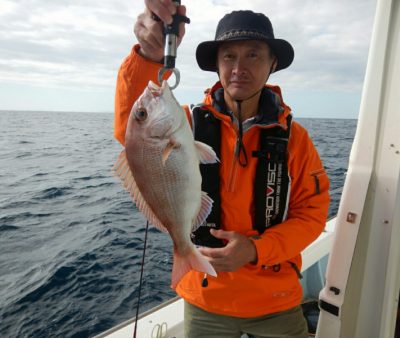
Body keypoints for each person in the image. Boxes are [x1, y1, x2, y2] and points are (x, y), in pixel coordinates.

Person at [114, 1, 330, 337]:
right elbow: (133, 132)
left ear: (272, 63)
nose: (238, 67)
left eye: (253, 55)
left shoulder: (296, 140)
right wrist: (149, 54)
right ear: (216, 64)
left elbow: (312, 216)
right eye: (229, 56)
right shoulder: (184, 123)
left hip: (276, 299)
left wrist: (256, 249)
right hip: (205, 298)